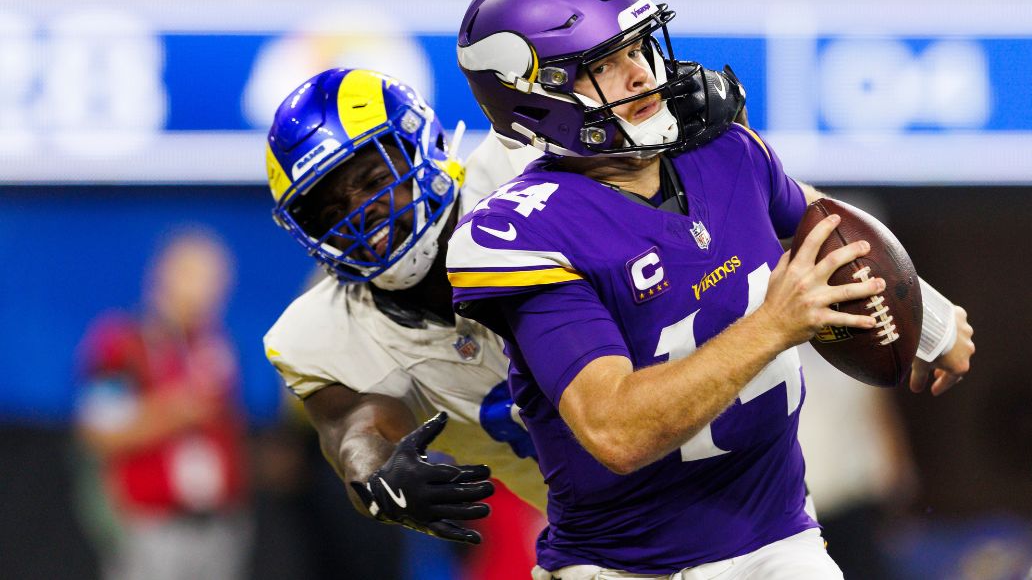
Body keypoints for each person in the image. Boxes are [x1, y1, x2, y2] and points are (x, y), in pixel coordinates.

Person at [446, 0, 975, 578]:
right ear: (534, 96)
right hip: (621, 567)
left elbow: (826, 226)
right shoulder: (520, 232)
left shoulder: (729, 153)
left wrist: (931, 325)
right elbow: (615, 432)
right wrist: (773, 327)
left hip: (779, 546)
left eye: (638, 49)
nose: (639, 75)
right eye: (602, 65)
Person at [261, 64, 746, 545]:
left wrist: (696, 122)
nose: (359, 214)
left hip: (739, 486)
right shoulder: (324, 333)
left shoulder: (529, 165)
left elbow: (700, 191)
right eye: (330, 211)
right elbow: (357, 430)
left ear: (421, 147)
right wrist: (377, 476)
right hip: (605, 548)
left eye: (371, 180)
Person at [75, 229, 251, 580]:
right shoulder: (124, 343)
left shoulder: (215, 344)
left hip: (221, 525)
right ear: (168, 277)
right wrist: (172, 413)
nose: (214, 293)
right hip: (152, 526)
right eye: (204, 279)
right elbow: (99, 432)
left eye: (220, 282)